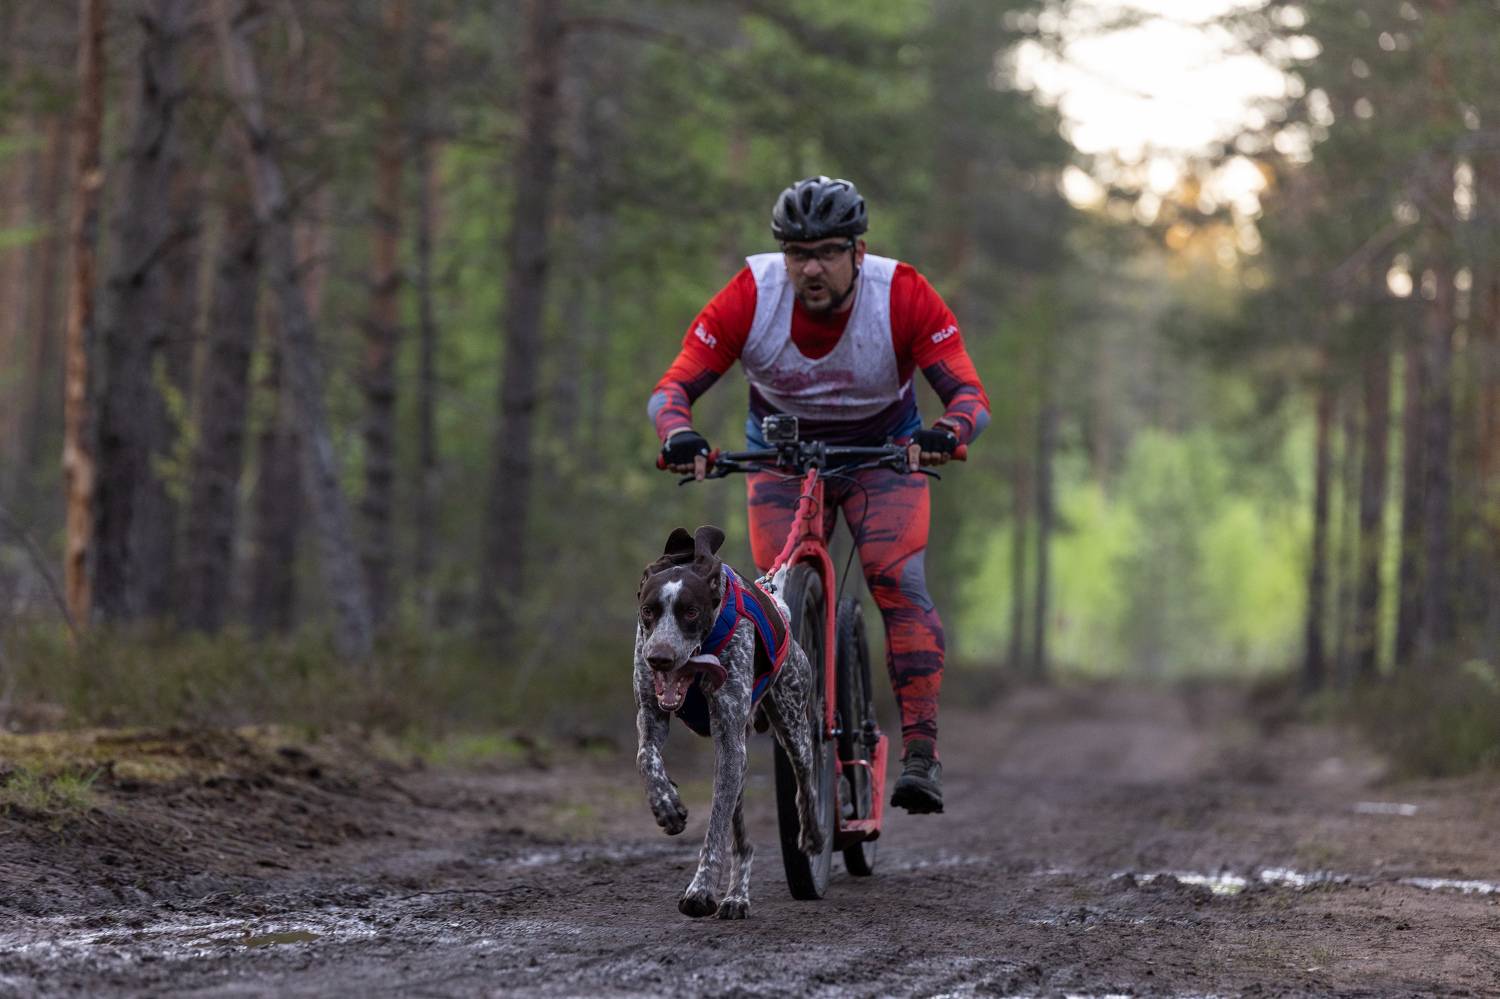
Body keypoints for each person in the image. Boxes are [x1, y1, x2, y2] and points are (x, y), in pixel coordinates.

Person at [648, 176, 989, 814]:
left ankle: (921, 754)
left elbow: (969, 395)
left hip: (883, 455)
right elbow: (672, 389)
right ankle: (777, 700)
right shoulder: (752, 294)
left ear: (858, 252)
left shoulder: (902, 294)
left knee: (897, 580)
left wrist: (948, 431)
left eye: (828, 252)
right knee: (774, 598)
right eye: (798, 253)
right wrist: (679, 433)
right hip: (780, 458)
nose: (811, 268)